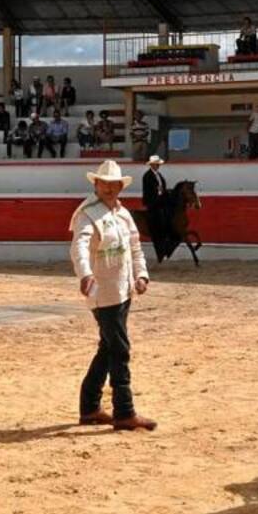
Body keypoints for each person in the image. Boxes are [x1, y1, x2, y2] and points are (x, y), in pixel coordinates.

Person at [69, 160, 155, 431]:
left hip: (122, 289)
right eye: (104, 183)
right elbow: (79, 247)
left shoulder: (123, 214)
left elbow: (135, 248)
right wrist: (85, 274)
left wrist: (141, 275)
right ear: (95, 184)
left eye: (113, 184)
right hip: (102, 291)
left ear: (120, 186)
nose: (109, 188)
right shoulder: (87, 214)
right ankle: (124, 411)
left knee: (108, 348)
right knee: (119, 348)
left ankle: (90, 407)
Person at [142, 155, 172, 257]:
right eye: (155, 164)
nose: (157, 166)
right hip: (153, 202)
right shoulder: (147, 176)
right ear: (151, 165)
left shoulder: (159, 175)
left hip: (160, 200)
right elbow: (148, 190)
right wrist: (158, 190)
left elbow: (163, 187)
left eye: (158, 164)